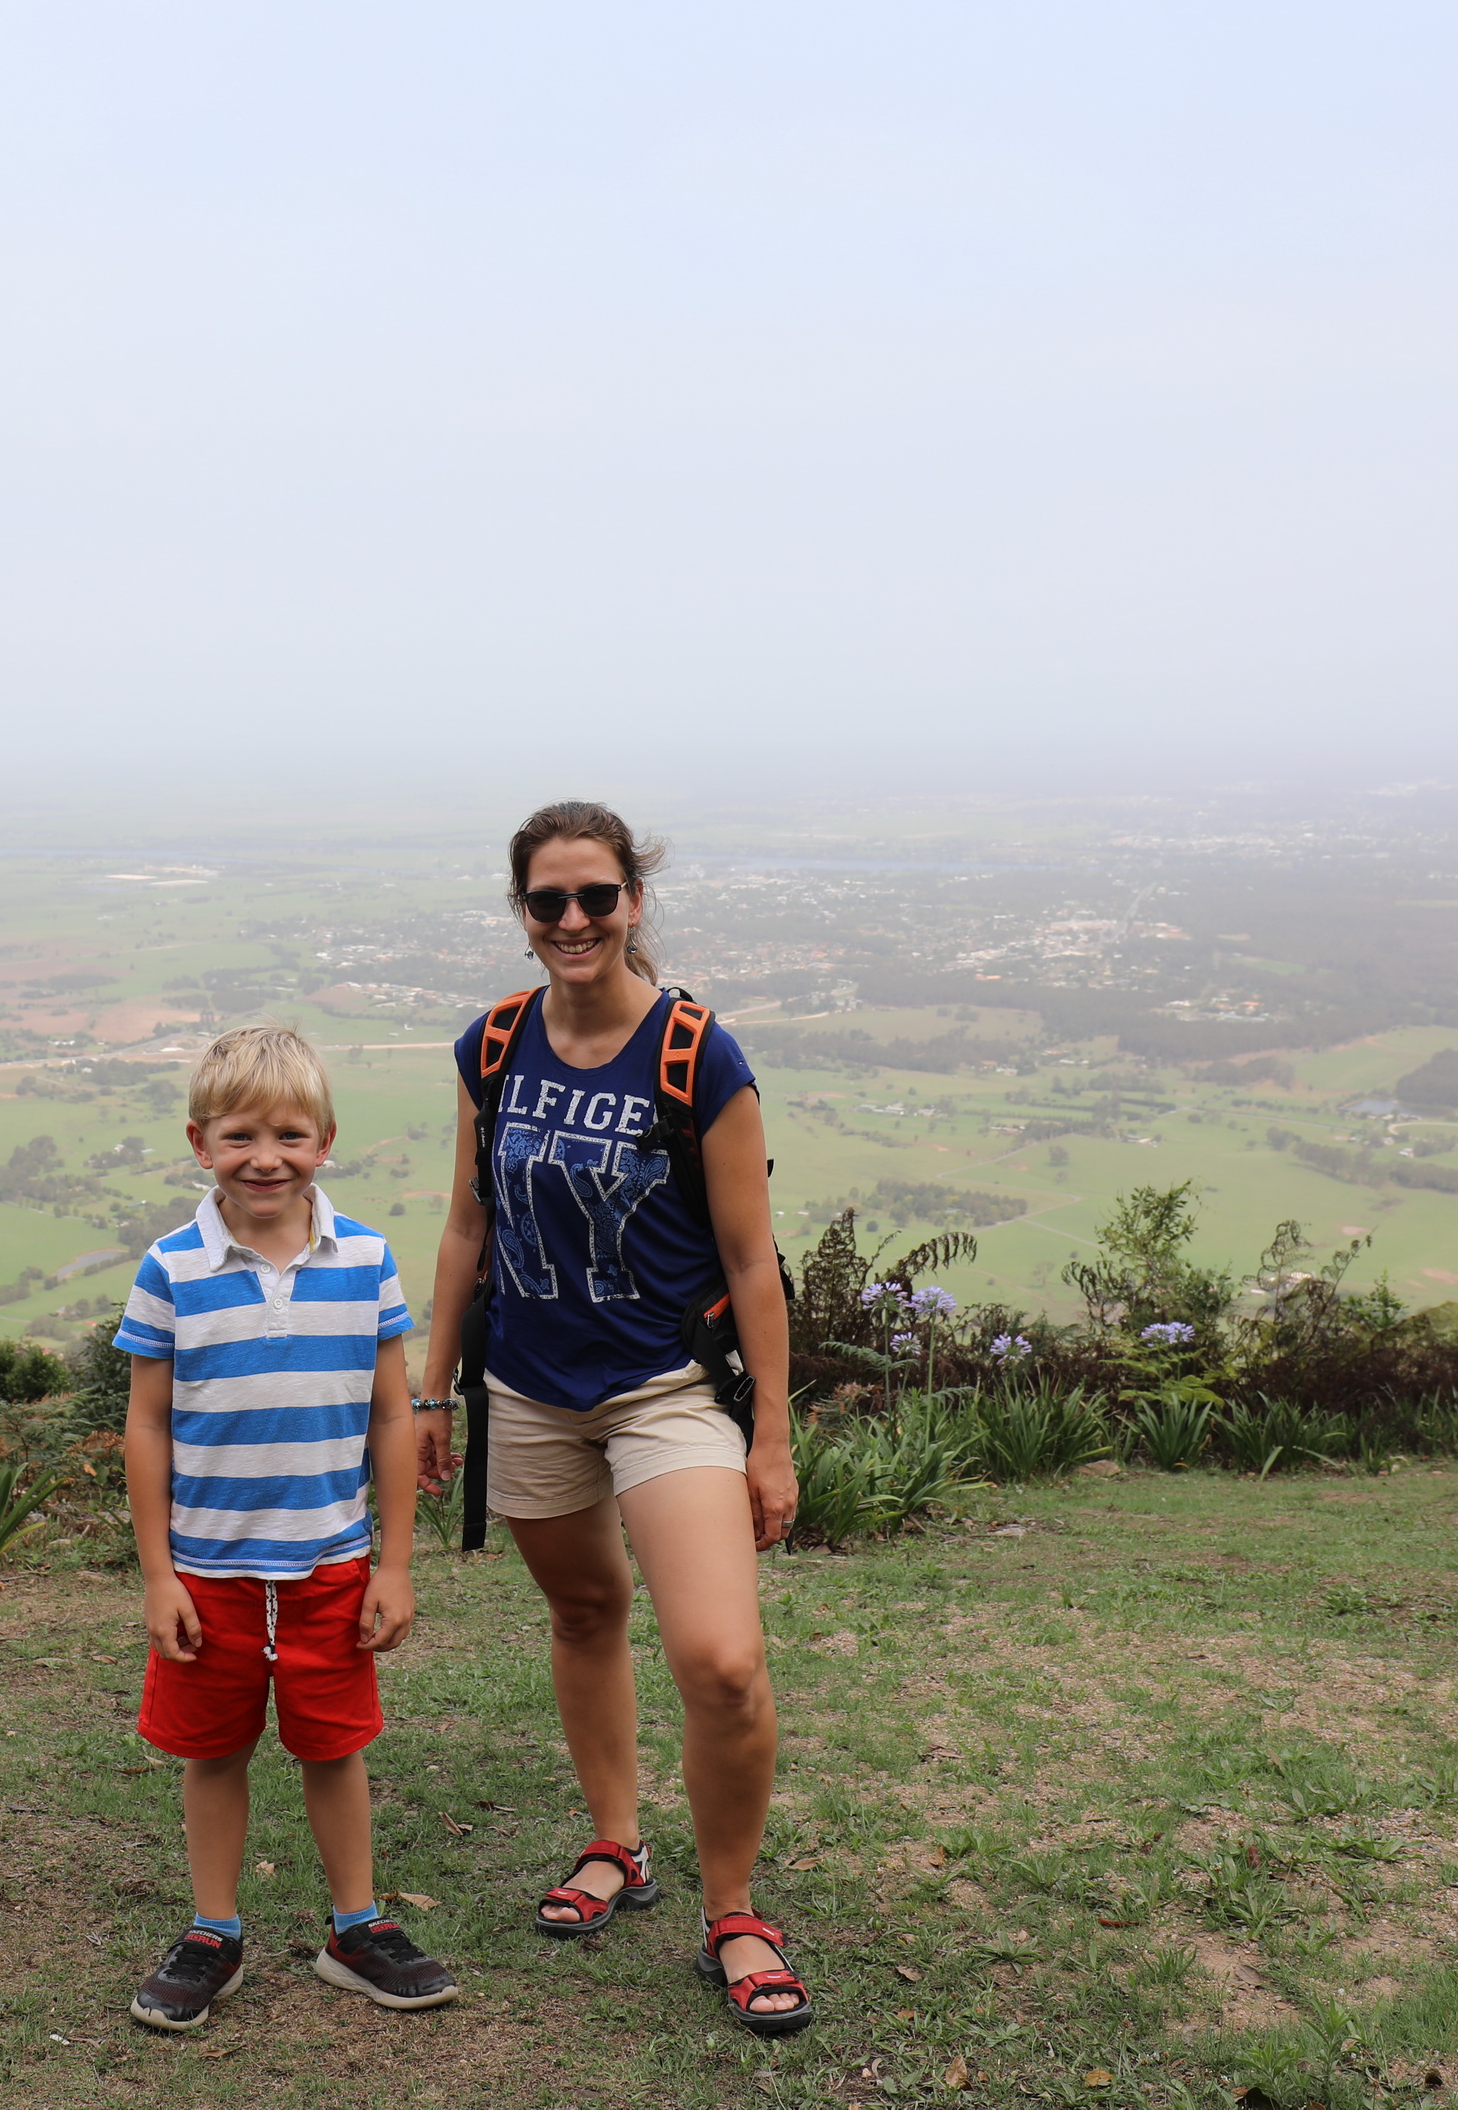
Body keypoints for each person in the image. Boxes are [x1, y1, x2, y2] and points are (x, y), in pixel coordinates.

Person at [412, 801, 815, 2038]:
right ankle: (618, 1843)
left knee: (722, 1659)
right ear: (522, 914)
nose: (574, 919)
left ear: (635, 899)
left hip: (666, 1387)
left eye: (597, 895)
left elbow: (752, 1260)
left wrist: (771, 1433)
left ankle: (737, 1909)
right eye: (549, 901)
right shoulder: (492, 1044)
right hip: (530, 1384)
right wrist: (436, 1391)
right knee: (584, 1610)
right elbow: (470, 1221)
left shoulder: (700, 1054)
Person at [116, 1023, 458, 2033]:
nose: (265, 1156)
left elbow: (393, 1415)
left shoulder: (365, 1258)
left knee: (333, 1744)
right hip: (208, 1567)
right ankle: (213, 1929)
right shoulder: (172, 1266)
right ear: (199, 1140)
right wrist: (157, 1573)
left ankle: (355, 1927)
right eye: (240, 1135)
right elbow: (145, 1420)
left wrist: (394, 1564)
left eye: (290, 1134)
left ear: (326, 1139)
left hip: (330, 1563)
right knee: (212, 1749)